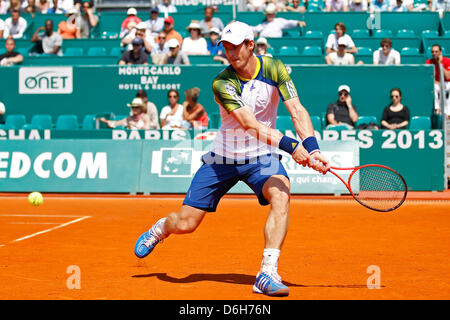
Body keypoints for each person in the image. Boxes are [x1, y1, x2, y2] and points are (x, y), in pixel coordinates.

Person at [133, 20, 330, 298]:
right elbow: (250, 125)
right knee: (186, 224)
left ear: (251, 45)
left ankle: (267, 272)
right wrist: (291, 146)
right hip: (223, 157)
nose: (231, 52)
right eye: (226, 47)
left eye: (236, 46)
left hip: (261, 157)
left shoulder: (275, 68)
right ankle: (161, 228)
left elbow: (297, 110)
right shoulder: (222, 83)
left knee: (282, 193)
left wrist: (313, 148)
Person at [426, 44, 450, 116]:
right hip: (436, 83)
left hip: (446, 82)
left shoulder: (448, 60)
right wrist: (435, 82)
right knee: (434, 87)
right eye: (433, 52)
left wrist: (440, 64)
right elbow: (428, 77)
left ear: (440, 52)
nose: (434, 54)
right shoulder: (429, 62)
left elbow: (448, 76)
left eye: (436, 52)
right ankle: (437, 109)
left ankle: (448, 113)